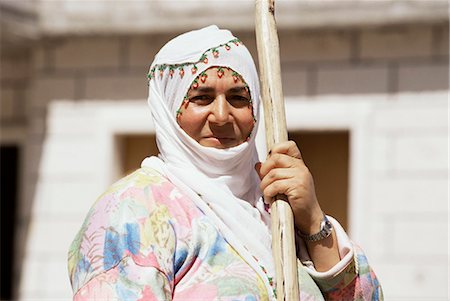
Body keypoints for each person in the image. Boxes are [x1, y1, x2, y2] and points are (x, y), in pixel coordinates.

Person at [68, 25, 382, 300]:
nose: (221, 116)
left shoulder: (277, 207)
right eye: (201, 98)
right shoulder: (134, 210)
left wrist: (314, 223)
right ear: (167, 108)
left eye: (238, 98)